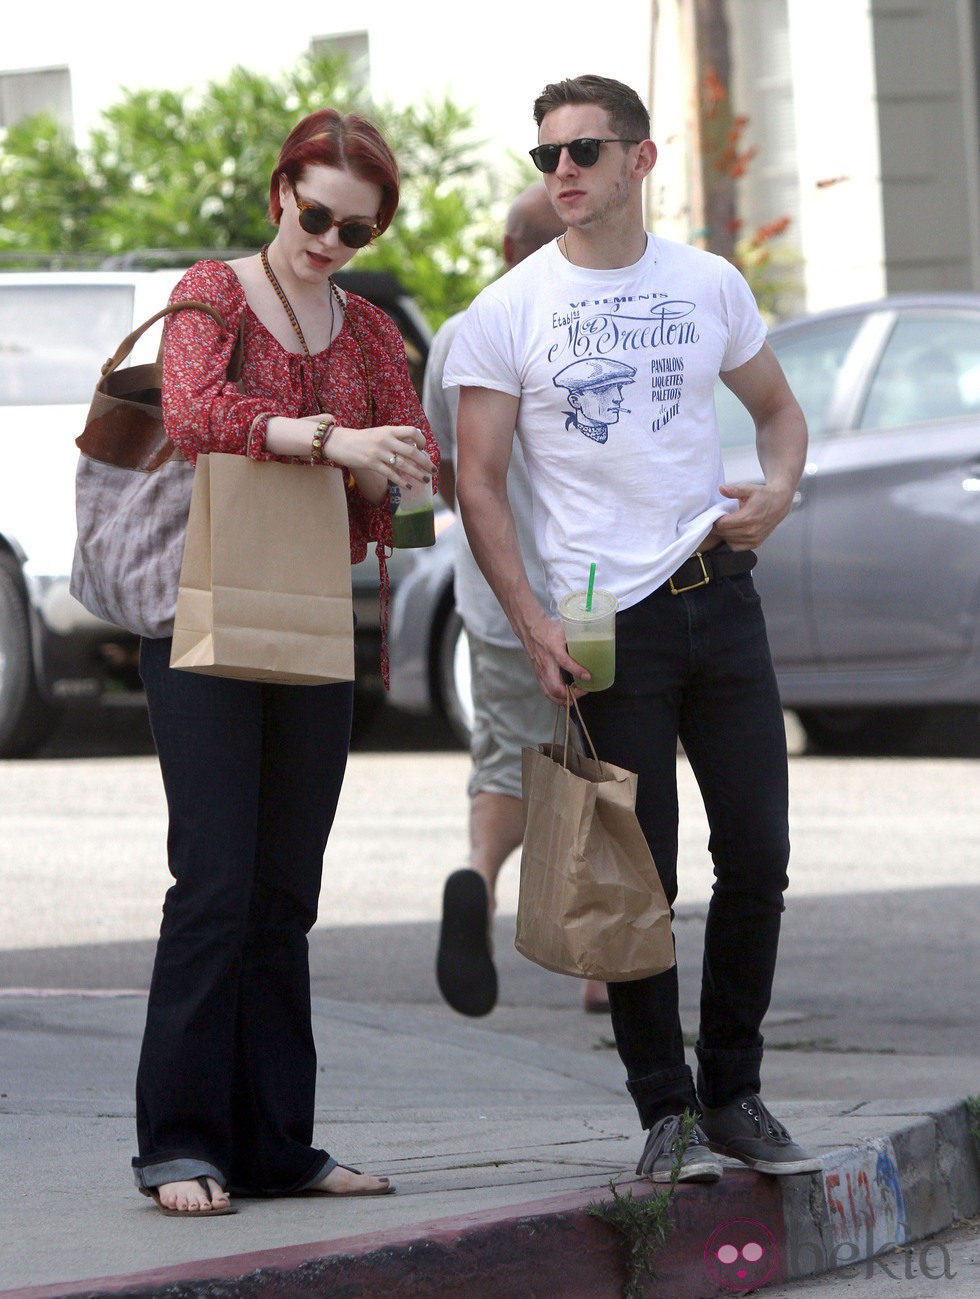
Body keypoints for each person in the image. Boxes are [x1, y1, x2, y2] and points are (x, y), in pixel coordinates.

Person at [446, 75, 821, 1184]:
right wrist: (527, 621)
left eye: (582, 151)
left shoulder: (706, 282)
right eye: (545, 156)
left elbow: (777, 413)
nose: (560, 171)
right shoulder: (506, 309)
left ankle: (736, 1093)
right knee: (633, 865)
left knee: (757, 852)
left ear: (639, 162)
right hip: (599, 611)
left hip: (718, 588)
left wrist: (780, 489)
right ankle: (664, 1107)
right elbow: (475, 483)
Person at [133, 108, 438, 1216]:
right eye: (315, 217)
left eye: (354, 232)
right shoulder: (210, 291)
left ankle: (276, 1146)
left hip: (309, 611)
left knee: (283, 896)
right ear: (279, 195)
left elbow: (411, 458)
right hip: (199, 617)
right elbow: (192, 408)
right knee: (212, 885)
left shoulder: (365, 334)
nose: (328, 244)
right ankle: (175, 1143)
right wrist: (330, 441)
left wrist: (384, 466)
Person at [429, 184, 608, 1018]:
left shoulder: (459, 337)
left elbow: (448, 475)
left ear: (505, 247)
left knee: (506, 755)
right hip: (593, 587)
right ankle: (602, 961)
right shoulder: (597, 325)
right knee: (600, 753)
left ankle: (479, 876)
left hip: (495, 591)